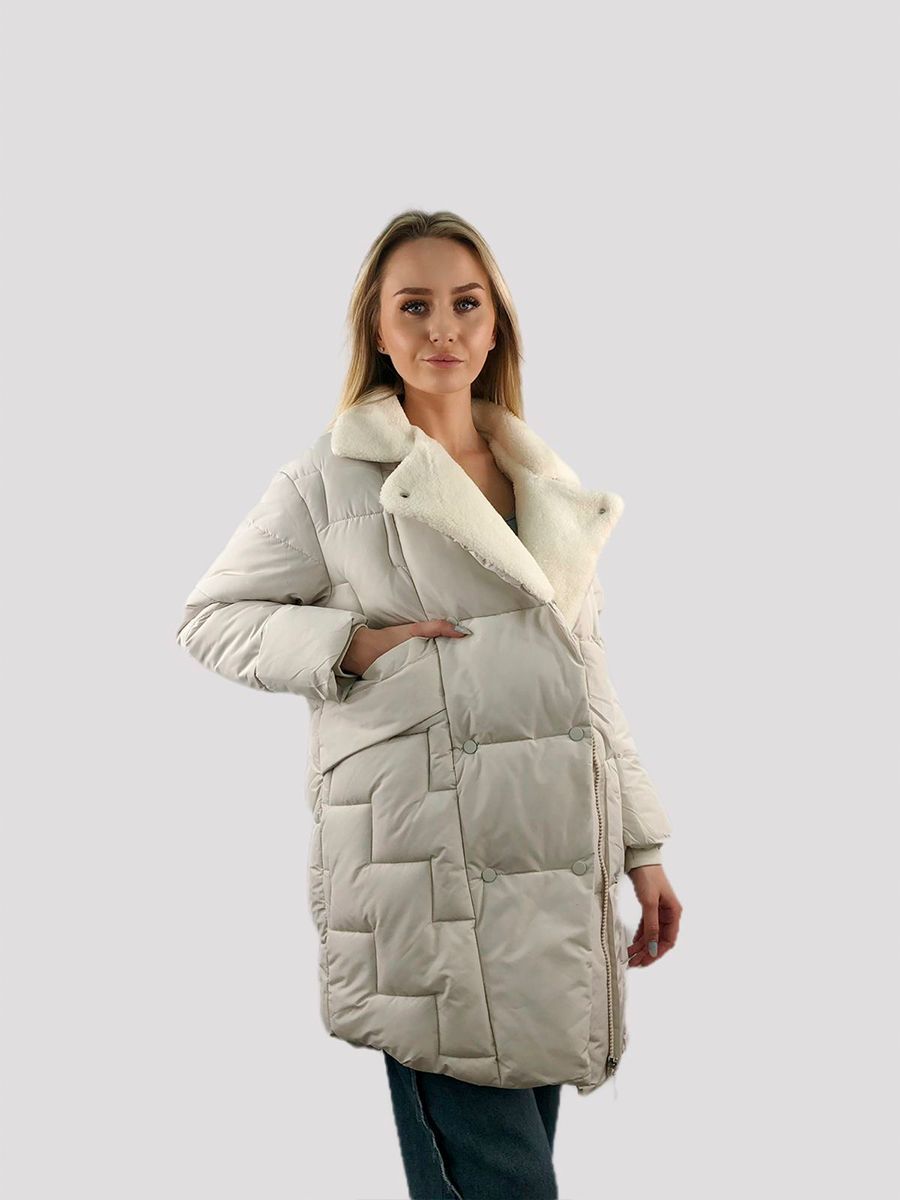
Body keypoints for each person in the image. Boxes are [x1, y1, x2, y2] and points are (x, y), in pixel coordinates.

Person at [175, 210, 683, 1199]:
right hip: (429, 875)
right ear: (378, 328)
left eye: (465, 303)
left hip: (546, 873)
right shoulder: (330, 479)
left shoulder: (545, 480)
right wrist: (350, 645)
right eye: (414, 306)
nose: (441, 327)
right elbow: (212, 617)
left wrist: (643, 846)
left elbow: (585, 682)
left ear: (496, 328)